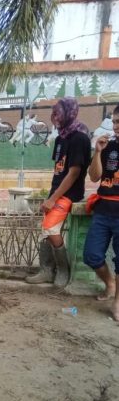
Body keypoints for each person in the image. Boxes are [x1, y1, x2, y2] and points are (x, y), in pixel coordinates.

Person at [25, 97, 91, 288]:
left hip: (70, 193)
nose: (55, 117)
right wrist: (52, 194)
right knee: (46, 228)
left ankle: (63, 270)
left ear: (69, 113)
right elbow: (59, 169)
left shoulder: (80, 138)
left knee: (51, 228)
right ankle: (46, 270)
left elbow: (74, 173)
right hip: (57, 190)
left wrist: (53, 199)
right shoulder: (62, 137)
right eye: (54, 114)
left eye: (59, 113)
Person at [83, 104, 119, 319]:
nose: (116, 126)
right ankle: (110, 283)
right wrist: (97, 152)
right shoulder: (108, 147)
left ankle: (117, 302)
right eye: (115, 122)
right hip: (103, 209)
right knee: (91, 255)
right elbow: (95, 177)